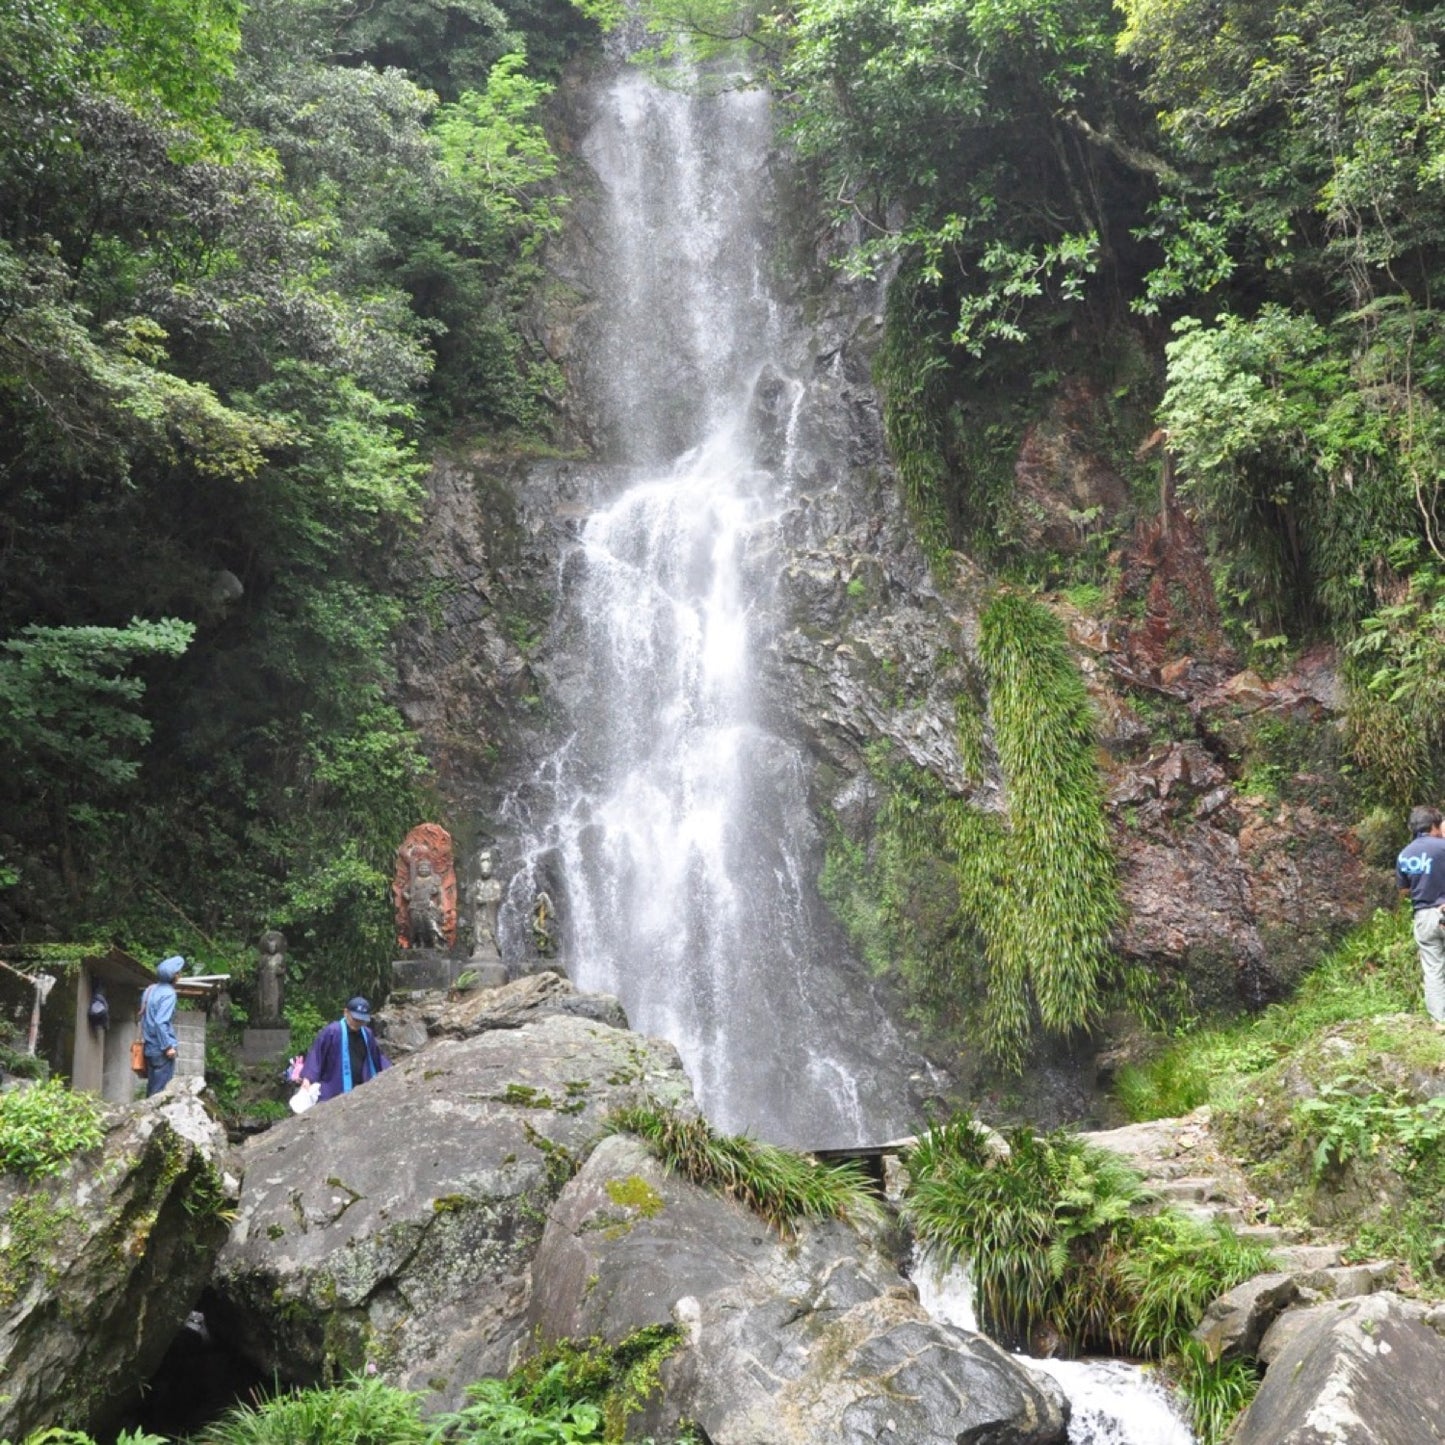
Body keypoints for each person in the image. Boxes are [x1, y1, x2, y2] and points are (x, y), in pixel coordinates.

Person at [1396, 805, 1445, 1023]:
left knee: (1433, 970)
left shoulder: (1405, 854)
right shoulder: (1442, 847)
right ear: (1435, 825)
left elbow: (1404, 890)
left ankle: (1440, 1021)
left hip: (1423, 917)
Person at [300, 996, 392, 1102]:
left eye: (361, 1020)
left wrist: (390, 1070)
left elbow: (377, 1057)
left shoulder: (367, 1034)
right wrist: (307, 1079)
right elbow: (317, 1056)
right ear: (346, 1013)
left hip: (360, 1086)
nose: (357, 1023)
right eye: (355, 1019)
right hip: (333, 1087)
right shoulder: (333, 1031)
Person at [140, 955, 185, 1096]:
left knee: (152, 1088)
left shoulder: (149, 990)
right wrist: (168, 1047)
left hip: (149, 1047)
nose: (180, 975)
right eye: (178, 973)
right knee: (160, 1093)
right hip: (161, 1050)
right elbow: (160, 1022)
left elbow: (144, 1017)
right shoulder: (169, 994)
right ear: (174, 976)